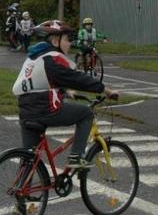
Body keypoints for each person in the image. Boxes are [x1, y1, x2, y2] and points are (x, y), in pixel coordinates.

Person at [12, 20, 118, 176]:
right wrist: (104, 90)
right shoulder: (54, 57)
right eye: (68, 39)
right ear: (56, 40)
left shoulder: (35, 57)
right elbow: (76, 77)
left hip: (26, 110)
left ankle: (21, 190)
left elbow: (45, 79)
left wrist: (65, 90)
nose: (70, 43)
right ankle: (76, 157)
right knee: (86, 114)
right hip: (45, 109)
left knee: (29, 157)